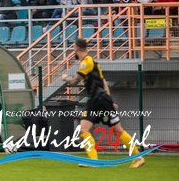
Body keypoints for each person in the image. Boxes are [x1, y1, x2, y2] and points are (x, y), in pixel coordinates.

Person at [62, 38, 146, 168]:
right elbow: (103, 82)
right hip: (101, 99)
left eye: (74, 48)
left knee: (92, 130)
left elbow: (74, 81)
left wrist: (65, 78)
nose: (73, 50)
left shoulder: (86, 62)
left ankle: (137, 157)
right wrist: (110, 100)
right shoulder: (92, 62)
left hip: (97, 100)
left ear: (77, 48)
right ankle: (95, 161)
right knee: (90, 130)